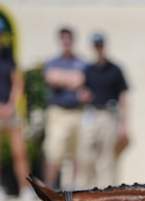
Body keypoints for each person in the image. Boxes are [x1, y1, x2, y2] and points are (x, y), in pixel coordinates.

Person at [77, 32, 129, 188]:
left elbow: (123, 97)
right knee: (86, 154)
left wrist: (123, 124)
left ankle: (108, 190)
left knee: (107, 157)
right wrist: (82, 94)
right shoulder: (88, 69)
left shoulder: (115, 70)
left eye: (100, 45)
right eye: (96, 45)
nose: (98, 48)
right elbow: (81, 90)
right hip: (91, 114)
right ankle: (86, 190)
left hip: (109, 115)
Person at [43, 27, 86, 188]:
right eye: (63, 39)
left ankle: (74, 187)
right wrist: (72, 80)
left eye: (69, 39)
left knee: (77, 153)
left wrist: (62, 78)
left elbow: (81, 80)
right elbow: (51, 77)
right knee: (54, 152)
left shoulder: (82, 62)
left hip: (77, 112)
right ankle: (48, 187)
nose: (66, 42)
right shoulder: (53, 61)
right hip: (58, 112)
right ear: (60, 41)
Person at [0, 17, 32, 201]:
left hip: (10, 110)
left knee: (19, 152)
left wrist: (11, 105)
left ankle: (25, 190)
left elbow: (17, 83)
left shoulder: (9, 56)